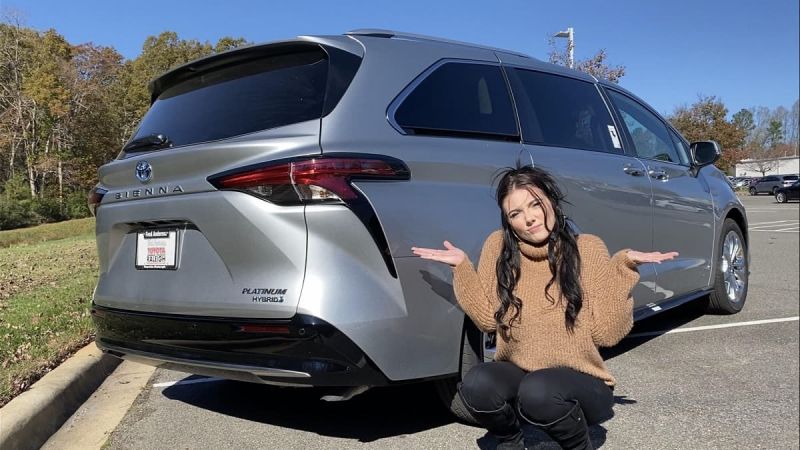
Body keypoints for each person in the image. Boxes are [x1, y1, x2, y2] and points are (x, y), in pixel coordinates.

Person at [411, 166, 677, 450]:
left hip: (583, 383)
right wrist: (462, 268)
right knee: (477, 384)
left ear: (551, 200)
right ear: (508, 221)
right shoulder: (498, 247)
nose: (528, 219)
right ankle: (510, 440)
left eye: (534, 204)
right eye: (515, 214)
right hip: (522, 373)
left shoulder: (586, 248)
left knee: (538, 390)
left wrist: (623, 270)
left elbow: (607, 335)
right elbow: (489, 321)